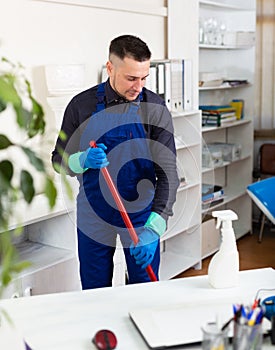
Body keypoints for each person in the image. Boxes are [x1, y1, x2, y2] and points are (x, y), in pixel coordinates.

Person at [52, 34, 179, 289]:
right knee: (94, 288)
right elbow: (59, 160)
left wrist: (154, 228)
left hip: (141, 213)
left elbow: (168, 173)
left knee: (144, 289)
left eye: (144, 78)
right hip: (93, 212)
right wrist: (82, 160)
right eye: (131, 78)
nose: (138, 86)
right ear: (110, 67)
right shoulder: (81, 105)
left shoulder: (154, 107)